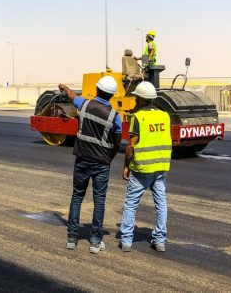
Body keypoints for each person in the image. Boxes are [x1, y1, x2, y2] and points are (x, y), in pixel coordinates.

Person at [58, 76, 122, 254]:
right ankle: (95, 241)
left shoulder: (84, 104)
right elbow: (117, 143)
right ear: (112, 96)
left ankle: (72, 237)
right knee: (99, 201)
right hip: (102, 162)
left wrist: (64, 86)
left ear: (97, 90)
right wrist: (110, 157)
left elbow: (72, 96)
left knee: (77, 196)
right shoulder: (115, 117)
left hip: (82, 159)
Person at [119, 81, 171, 253]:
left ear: (141, 99)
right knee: (161, 203)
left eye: (136, 98)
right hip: (161, 166)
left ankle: (126, 240)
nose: (134, 101)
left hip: (142, 168)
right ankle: (160, 241)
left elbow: (130, 146)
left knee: (131, 203)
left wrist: (126, 166)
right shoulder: (164, 116)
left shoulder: (138, 117)